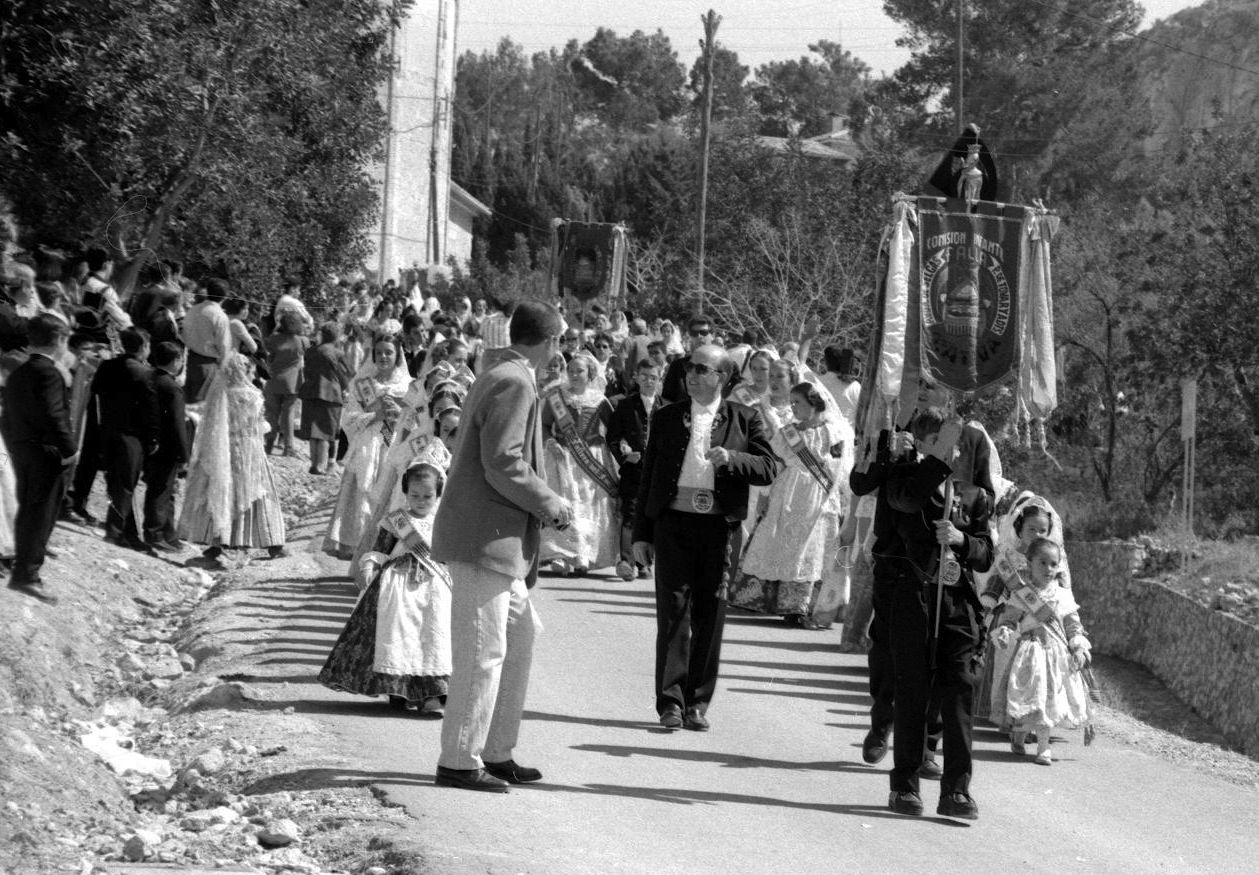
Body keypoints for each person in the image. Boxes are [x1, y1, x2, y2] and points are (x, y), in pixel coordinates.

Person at [432, 300, 573, 793]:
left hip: (494, 540)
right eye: (561, 340)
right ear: (551, 340)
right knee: (482, 652)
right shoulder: (515, 381)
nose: (562, 350)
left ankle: (495, 750)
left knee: (518, 640)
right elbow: (503, 463)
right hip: (484, 539)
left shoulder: (503, 372)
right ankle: (458, 759)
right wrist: (549, 502)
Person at [632, 344, 779, 732]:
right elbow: (649, 475)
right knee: (673, 612)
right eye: (688, 368)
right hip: (673, 524)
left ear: (723, 377)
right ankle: (671, 702)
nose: (693, 375)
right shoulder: (666, 417)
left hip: (719, 527)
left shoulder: (746, 418)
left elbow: (768, 468)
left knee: (710, 614)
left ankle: (698, 701)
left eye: (703, 369)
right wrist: (641, 533)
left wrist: (733, 459)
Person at [881, 408, 993, 820]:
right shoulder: (905, 478)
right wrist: (938, 462)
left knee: (960, 690)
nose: (956, 452)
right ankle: (905, 786)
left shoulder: (974, 495)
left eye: (960, 446)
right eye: (946, 443)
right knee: (912, 691)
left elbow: (986, 554)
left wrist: (964, 540)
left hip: (957, 602)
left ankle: (957, 791)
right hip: (914, 595)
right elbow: (904, 502)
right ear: (925, 444)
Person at [319, 459, 452, 717]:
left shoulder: (444, 523)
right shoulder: (396, 521)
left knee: (432, 636)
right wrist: (369, 566)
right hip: (399, 585)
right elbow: (380, 551)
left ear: (438, 494)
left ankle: (431, 693)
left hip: (434, 588)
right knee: (399, 636)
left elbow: (448, 556)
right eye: (415, 495)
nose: (421, 500)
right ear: (405, 492)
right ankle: (398, 691)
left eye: (428, 495)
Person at [730, 380, 852, 626]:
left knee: (811, 549)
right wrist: (765, 494)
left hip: (819, 497)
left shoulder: (834, 431)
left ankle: (805, 605)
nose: (793, 407)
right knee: (779, 543)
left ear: (814, 404)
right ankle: (766, 599)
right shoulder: (788, 432)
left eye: (798, 403)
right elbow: (774, 464)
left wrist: (835, 496)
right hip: (787, 495)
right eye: (792, 402)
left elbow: (841, 467)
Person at [987, 538, 1091, 765]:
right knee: (1028, 696)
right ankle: (1019, 735)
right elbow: (1010, 620)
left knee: (1047, 700)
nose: (1048, 569)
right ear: (1029, 562)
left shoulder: (1063, 596)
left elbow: (1073, 625)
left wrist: (1078, 646)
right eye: (1043, 562)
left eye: (1053, 564)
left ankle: (1044, 747)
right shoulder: (1022, 594)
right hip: (1029, 655)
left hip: (1055, 658)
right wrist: (1005, 630)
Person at [178, 354, 287, 565]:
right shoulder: (251, 395)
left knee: (223, 492)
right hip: (249, 449)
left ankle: (217, 542)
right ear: (244, 371)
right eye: (250, 370)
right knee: (254, 493)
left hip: (224, 449)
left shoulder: (221, 394)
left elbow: (210, 424)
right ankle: (268, 542)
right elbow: (258, 425)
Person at [2, 314, 76, 603]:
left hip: (22, 448)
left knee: (28, 510)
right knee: (41, 513)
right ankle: (28, 574)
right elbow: (54, 415)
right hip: (46, 451)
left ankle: (24, 568)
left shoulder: (20, 371)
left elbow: (9, 417)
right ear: (58, 340)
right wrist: (70, 449)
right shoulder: (49, 372)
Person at [321, 337, 411, 558]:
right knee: (363, 492)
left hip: (393, 444)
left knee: (390, 493)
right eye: (379, 352)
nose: (383, 357)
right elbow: (349, 419)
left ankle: (382, 548)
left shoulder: (408, 386)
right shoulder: (362, 384)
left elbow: (415, 420)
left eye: (388, 352)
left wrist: (398, 415)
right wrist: (375, 415)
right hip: (369, 444)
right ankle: (356, 547)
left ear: (397, 356)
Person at [539, 353, 619, 577]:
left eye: (579, 371)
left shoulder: (600, 400)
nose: (574, 375)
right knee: (566, 503)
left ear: (590, 374)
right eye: (571, 370)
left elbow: (613, 429)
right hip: (562, 457)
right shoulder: (557, 397)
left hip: (592, 457)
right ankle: (563, 555)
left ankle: (585, 555)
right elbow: (544, 425)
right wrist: (551, 441)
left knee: (590, 506)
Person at [92, 327, 160, 553]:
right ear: (143, 348)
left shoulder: (107, 366)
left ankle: (128, 533)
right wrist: (153, 438)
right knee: (126, 485)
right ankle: (115, 531)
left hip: (107, 429)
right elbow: (151, 410)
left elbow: (96, 392)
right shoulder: (143, 373)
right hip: (132, 435)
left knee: (115, 481)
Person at [607, 359, 662, 581]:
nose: (649, 381)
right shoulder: (625, 405)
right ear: (636, 377)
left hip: (658, 473)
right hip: (633, 471)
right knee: (630, 515)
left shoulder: (668, 406)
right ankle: (627, 562)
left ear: (660, 379)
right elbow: (612, 437)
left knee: (652, 517)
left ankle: (644, 563)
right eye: (644, 376)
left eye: (653, 377)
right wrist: (624, 455)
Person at [142, 342, 191, 552]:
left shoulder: (150, 378)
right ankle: (154, 533)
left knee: (165, 490)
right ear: (176, 361)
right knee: (161, 490)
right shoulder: (172, 387)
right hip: (168, 446)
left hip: (152, 443)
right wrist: (184, 453)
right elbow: (177, 423)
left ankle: (168, 533)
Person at [298, 322, 352, 475]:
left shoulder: (310, 351)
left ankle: (314, 463)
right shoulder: (338, 353)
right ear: (337, 337)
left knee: (313, 433)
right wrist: (346, 389)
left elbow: (306, 371)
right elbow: (347, 374)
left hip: (310, 392)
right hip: (330, 395)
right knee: (324, 433)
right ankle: (321, 465)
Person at [182, 278, 234, 402]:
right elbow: (224, 346)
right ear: (225, 296)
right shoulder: (220, 316)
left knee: (188, 404)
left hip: (189, 359)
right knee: (202, 407)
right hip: (208, 365)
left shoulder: (194, 309)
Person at [262, 316, 308, 456]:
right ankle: (288, 447)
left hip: (274, 380)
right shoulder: (301, 341)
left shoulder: (274, 339)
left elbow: (266, 349)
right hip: (292, 383)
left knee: (271, 414)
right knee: (288, 415)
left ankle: (268, 444)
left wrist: (276, 329)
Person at [659, 316, 715, 403]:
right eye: (694, 333)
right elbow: (667, 400)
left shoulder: (725, 365)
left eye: (704, 332)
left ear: (712, 335)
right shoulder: (677, 367)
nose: (699, 336)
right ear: (690, 336)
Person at [819, 346, 862, 430]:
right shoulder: (854, 386)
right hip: (847, 436)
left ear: (826, 362)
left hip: (824, 434)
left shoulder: (817, 383)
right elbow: (861, 414)